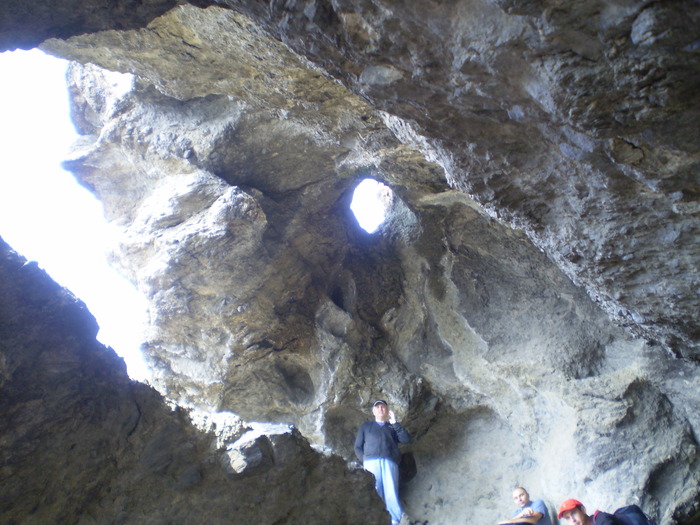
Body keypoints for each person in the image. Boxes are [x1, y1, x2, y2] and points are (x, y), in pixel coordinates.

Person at [354, 399, 411, 525]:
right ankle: (376, 520)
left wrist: (395, 423)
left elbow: (406, 439)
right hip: (371, 462)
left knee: (391, 491)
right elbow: (357, 446)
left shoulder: (392, 427)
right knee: (375, 490)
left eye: (383, 407)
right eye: (377, 407)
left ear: (387, 410)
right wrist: (364, 460)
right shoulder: (366, 426)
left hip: (390, 461)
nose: (380, 409)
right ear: (373, 411)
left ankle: (395, 520)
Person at [557, 498, 655, 525]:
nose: (572, 520)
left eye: (574, 513)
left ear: (583, 510)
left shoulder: (601, 518)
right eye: (568, 518)